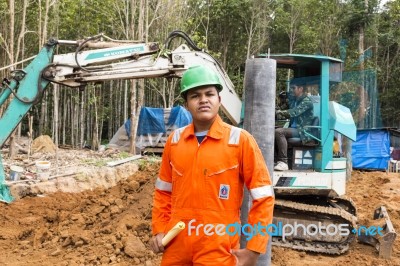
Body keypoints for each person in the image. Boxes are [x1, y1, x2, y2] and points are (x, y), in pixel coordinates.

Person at [150, 65, 275, 266]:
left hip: (218, 247)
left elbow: (264, 198)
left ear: (219, 99)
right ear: (187, 104)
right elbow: (163, 192)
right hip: (177, 246)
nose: (203, 100)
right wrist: (159, 229)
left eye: (209, 94)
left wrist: (254, 248)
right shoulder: (175, 141)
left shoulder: (240, 141)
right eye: (195, 96)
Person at [274, 83, 314, 171]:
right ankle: (275, 160)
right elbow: (282, 108)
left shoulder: (306, 101)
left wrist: (278, 112)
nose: (291, 90)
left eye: (293, 88)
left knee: (279, 132)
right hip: (295, 130)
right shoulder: (294, 101)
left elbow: (293, 112)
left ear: (300, 88)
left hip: (302, 131)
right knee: (272, 130)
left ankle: (283, 162)